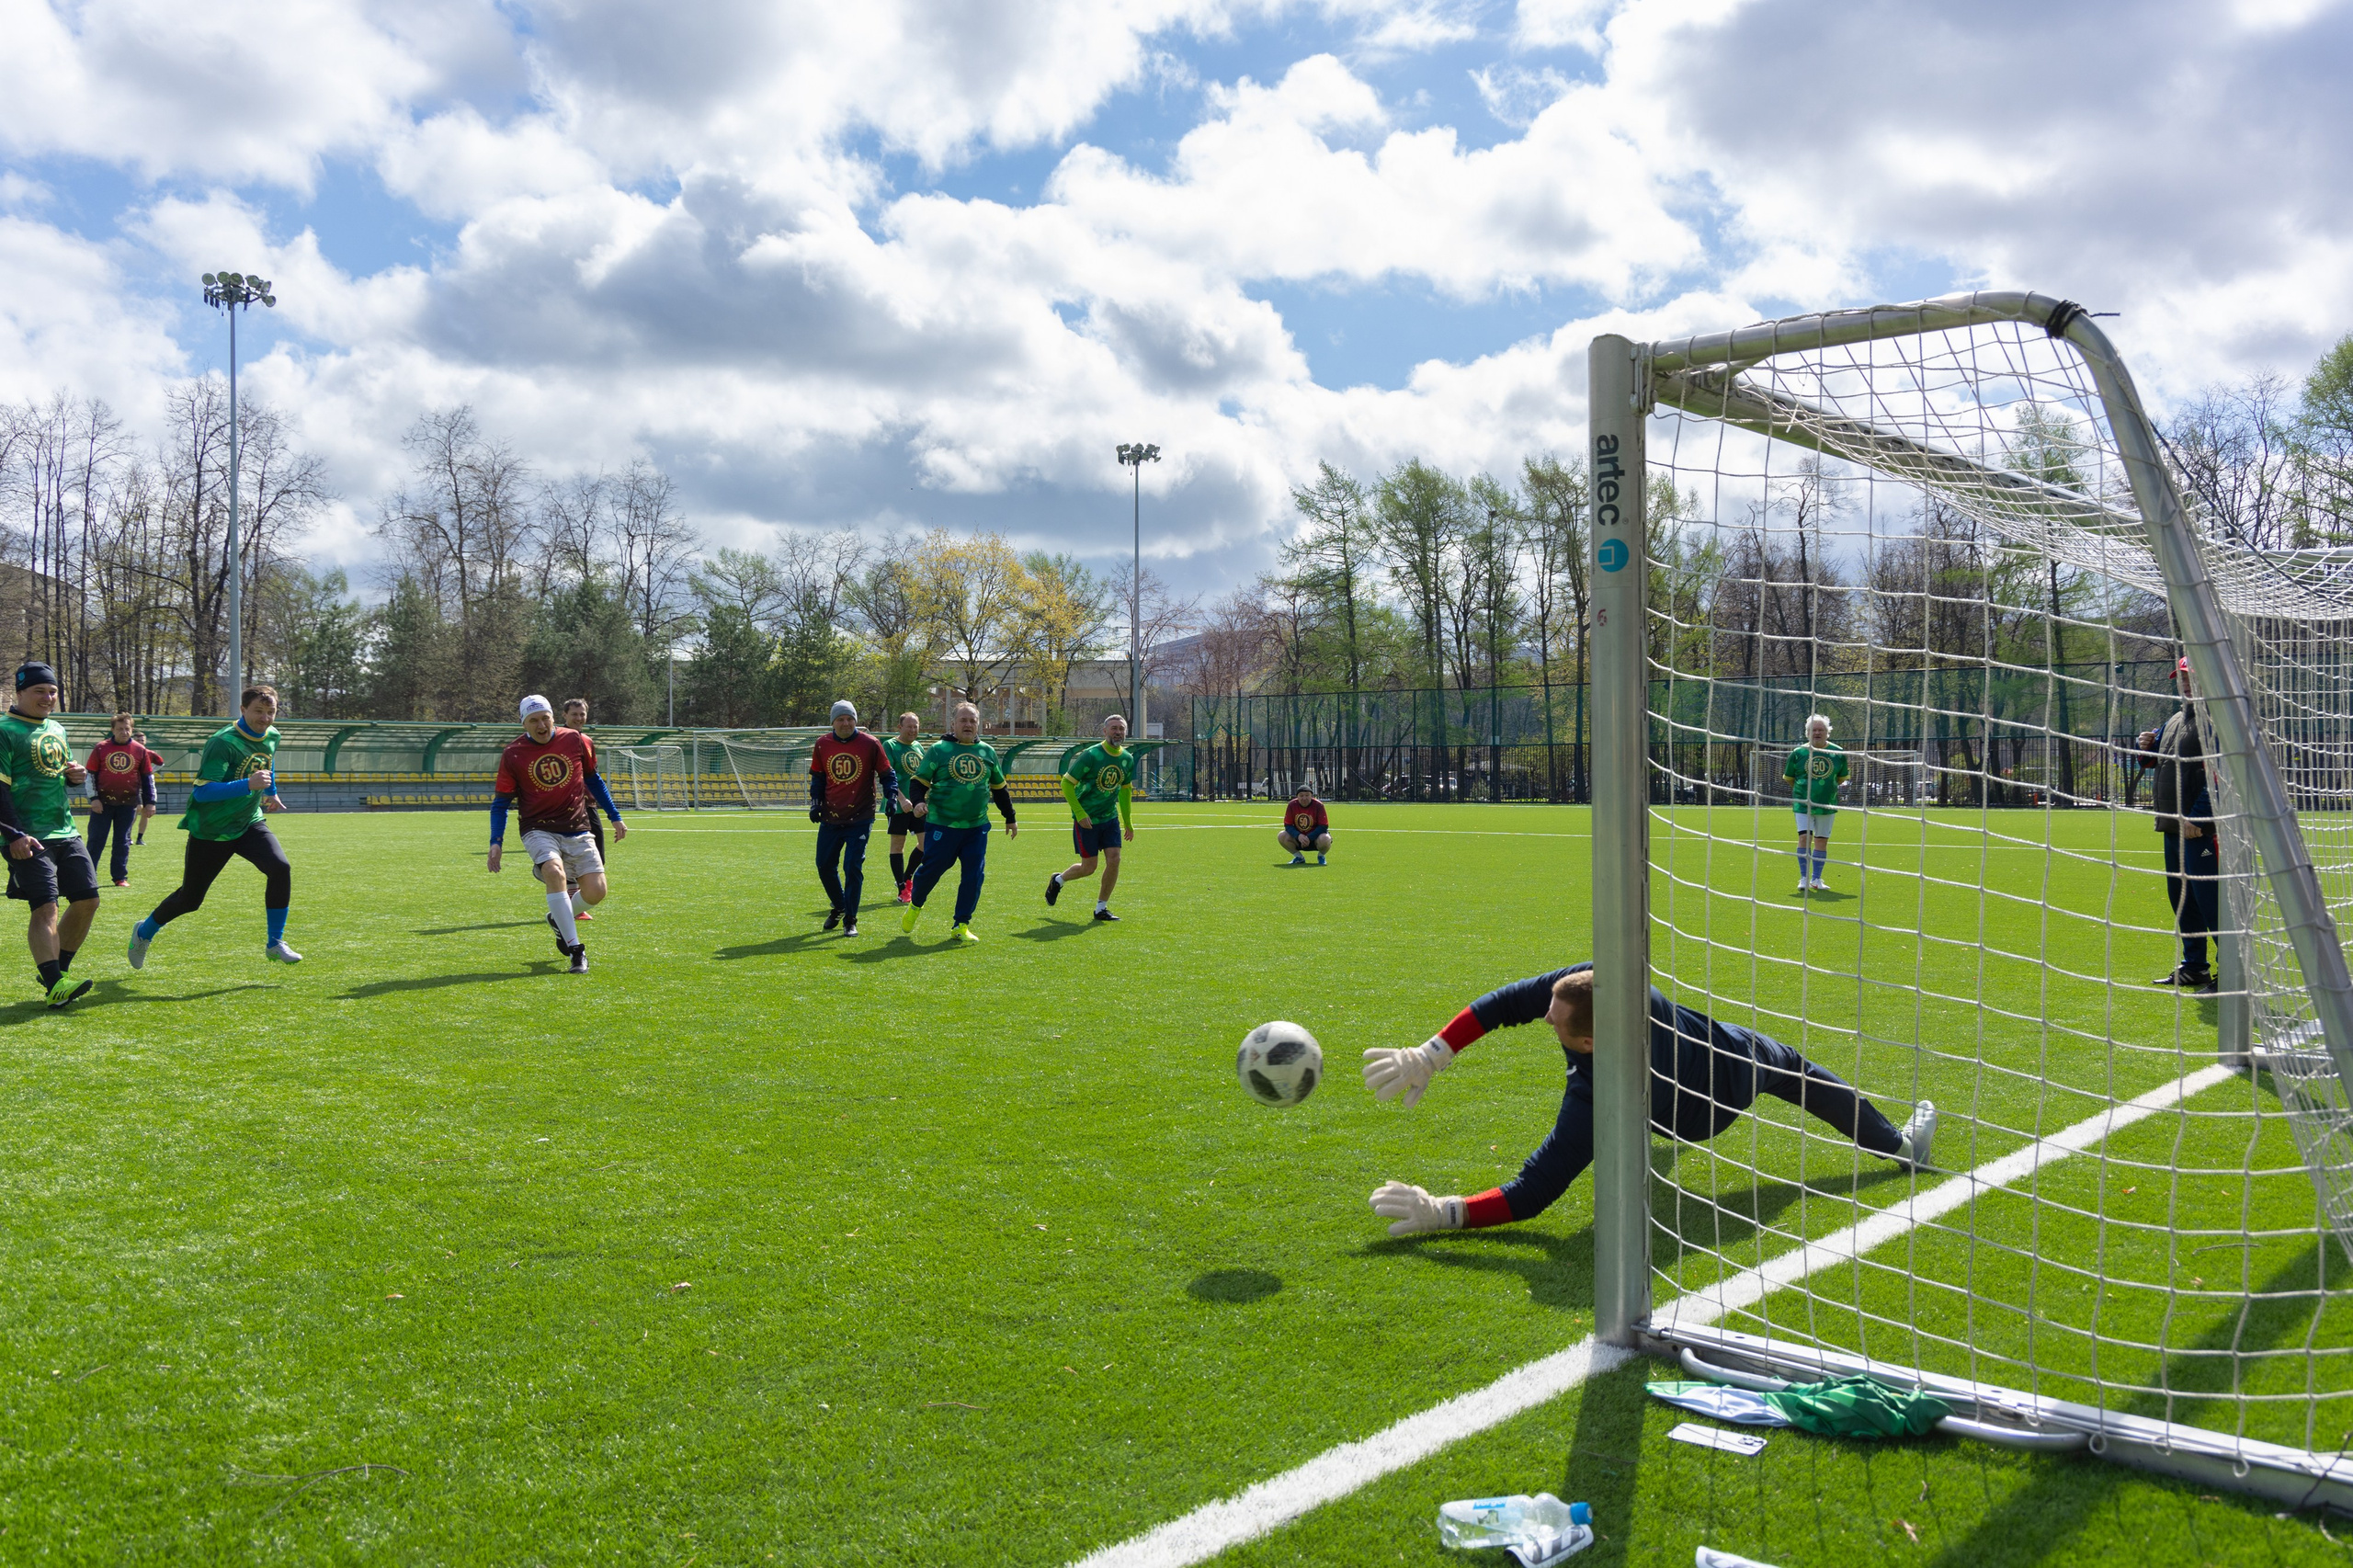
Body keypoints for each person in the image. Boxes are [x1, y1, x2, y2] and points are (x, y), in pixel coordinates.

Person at [1361, 962, 1937, 1236]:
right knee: (1792, 1068)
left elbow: (1534, 1191)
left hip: (1721, 1089)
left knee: (1796, 1070)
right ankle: (1900, 1144)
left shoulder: (1598, 1092)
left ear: (1590, 1043)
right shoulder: (1601, 984)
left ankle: (1902, 1147)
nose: (1544, 1017)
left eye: (1556, 1024)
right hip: (1687, 1066)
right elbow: (1505, 1002)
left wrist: (1446, 1212)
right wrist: (1431, 1053)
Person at [126, 685, 298, 971]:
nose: (265, 718)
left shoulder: (273, 735)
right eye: (258, 711)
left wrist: (271, 791)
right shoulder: (222, 742)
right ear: (243, 710)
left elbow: (268, 765)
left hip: (248, 821)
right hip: (212, 829)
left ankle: (274, 943)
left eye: (271, 712)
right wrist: (248, 784)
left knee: (280, 867)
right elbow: (203, 793)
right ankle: (144, 932)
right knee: (190, 900)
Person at [488, 695, 627, 975]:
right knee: (554, 872)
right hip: (537, 828)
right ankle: (577, 951)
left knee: (597, 891)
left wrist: (615, 817)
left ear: (553, 717)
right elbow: (501, 803)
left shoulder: (577, 741)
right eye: (533, 720)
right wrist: (496, 842)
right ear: (524, 724)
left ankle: (557, 918)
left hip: (577, 825)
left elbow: (593, 780)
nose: (541, 725)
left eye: (545, 718)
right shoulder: (512, 754)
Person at [3, 664, 102, 1007]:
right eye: (39, 691)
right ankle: (56, 982)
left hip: (66, 830)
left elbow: (59, 773)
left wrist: (74, 776)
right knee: (46, 907)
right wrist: (13, 834)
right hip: (27, 835)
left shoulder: (56, 728)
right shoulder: (4, 729)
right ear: (20, 693)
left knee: (89, 900)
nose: (48, 697)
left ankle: (56, 974)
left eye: (52, 691)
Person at [901, 701, 1017, 943]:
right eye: (963, 720)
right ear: (953, 724)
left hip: (976, 827)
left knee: (974, 875)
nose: (968, 724)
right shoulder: (939, 750)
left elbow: (1000, 788)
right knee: (932, 871)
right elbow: (918, 781)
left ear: (979, 725)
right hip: (942, 825)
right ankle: (915, 906)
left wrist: (1010, 817)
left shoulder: (987, 752)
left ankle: (961, 924)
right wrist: (919, 802)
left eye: (972, 720)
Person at [2144, 656, 2218, 993]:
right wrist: (2145, 747)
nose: (2185, 683)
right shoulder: (2175, 718)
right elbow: (2159, 760)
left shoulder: (2218, 718)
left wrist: (2201, 817)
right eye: (2181, 677)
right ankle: (2195, 967)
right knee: (2182, 900)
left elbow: (2223, 773)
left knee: (2212, 902)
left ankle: (2232, 971)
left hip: (2201, 830)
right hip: (2173, 827)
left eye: (2191, 676)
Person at [809, 699, 901, 937]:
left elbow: (887, 774)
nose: (845, 723)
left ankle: (850, 919)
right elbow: (818, 777)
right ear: (833, 722)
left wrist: (891, 798)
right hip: (831, 816)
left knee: (852, 865)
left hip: (860, 815)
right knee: (824, 865)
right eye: (840, 719)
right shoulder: (822, 744)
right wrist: (816, 803)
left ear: (855, 721)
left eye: (850, 719)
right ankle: (839, 905)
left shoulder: (870, 743)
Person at [1047, 713, 1133, 921]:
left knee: (1115, 860)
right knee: (1089, 868)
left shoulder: (1127, 759)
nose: (1118, 732)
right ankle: (1058, 880)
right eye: (1113, 728)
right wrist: (1080, 813)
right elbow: (1067, 783)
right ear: (1105, 732)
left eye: (1121, 728)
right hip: (1087, 820)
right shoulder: (1091, 755)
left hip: (1109, 818)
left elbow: (1125, 790)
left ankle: (1101, 908)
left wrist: (1128, 822)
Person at [85, 711, 158, 889]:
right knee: (96, 841)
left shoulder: (140, 750)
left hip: (128, 804)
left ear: (131, 729)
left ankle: (119, 877)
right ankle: (87, 877)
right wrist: (94, 798)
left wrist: (150, 802)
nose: (124, 732)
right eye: (120, 729)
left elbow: (148, 778)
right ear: (112, 730)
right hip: (102, 804)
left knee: (122, 842)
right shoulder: (100, 748)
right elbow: (91, 775)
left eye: (127, 729)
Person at [1783, 713, 1848, 893]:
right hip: (1803, 804)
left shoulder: (1838, 752)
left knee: (1821, 841)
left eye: (1821, 730)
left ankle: (1816, 879)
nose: (1817, 733)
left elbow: (1841, 778)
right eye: (1814, 730)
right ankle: (1803, 878)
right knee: (1804, 838)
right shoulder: (1798, 753)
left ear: (1828, 733)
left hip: (1827, 804)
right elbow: (1790, 778)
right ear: (1807, 733)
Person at [560, 699, 610, 920]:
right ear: (564, 715)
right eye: (574, 714)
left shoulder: (587, 741)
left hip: (588, 804)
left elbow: (593, 776)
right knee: (570, 855)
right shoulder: (556, 740)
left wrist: (612, 813)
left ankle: (572, 904)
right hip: (567, 805)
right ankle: (574, 907)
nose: (579, 718)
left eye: (582, 714)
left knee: (598, 854)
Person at [879, 712, 927, 903]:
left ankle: (907, 878)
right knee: (898, 845)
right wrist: (901, 799)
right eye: (909, 726)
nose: (913, 730)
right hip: (898, 806)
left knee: (926, 845)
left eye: (916, 726)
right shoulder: (890, 746)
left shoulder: (918, 747)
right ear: (900, 728)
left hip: (917, 805)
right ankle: (901, 887)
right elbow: (886, 776)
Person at [1279, 784, 1330, 866]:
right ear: (1297, 797)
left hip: (1316, 839)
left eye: (1307, 795)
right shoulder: (1292, 805)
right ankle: (1299, 857)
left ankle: (1321, 856)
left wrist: (1308, 838)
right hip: (1299, 839)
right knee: (1281, 835)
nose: (1304, 798)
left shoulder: (1318, 805)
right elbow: (1288, 825)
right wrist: (1298, 836)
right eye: (1301, 795)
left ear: (1311, 796)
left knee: (1325, 838)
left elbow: (1323, 826)